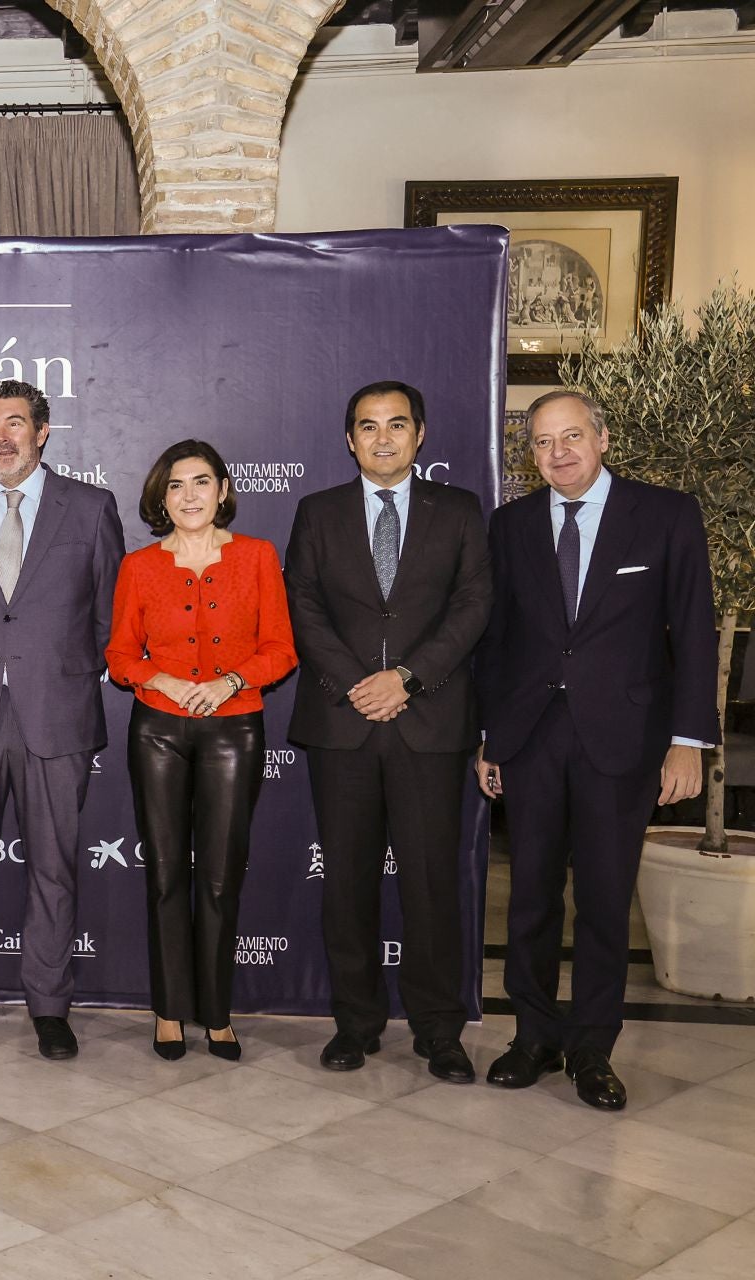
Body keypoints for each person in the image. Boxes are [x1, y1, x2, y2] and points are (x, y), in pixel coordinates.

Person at [477, 389, 716, 1111]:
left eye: (572, 436)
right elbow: (498, 639)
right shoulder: (510, 524)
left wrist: (687, 742)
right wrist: (491, 735)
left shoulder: (666, 515)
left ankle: (592, 1050)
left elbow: (697, 632)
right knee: (530, 901)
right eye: (544, 443)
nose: (559, 453)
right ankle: (534, 1037)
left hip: (627, 740)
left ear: (603, 438)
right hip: (531, 738)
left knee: (607, 904)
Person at [286, 381, 491, 1083]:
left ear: (420, 434)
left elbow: (473, 605)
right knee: (346, 884)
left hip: (428, 723)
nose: (382, 438)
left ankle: (440, 1032)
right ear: (350, 440)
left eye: (396, 425)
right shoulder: (316, 513)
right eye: (368, 427)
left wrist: (405, 678)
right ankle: (356, 1023)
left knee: (433, 884)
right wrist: (356, 684)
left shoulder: (459, 511)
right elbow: (303, 606)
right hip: (343, 725)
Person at [0, 379, 124, 1061]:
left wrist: (58, 672)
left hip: (56, 716)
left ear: (43, 431)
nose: (1, 437)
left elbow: (109, 619)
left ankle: (49, 1003)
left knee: (54, 868)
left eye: (15, 423)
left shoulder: (91, 508)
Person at [106, 440, 296, 1061]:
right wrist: (159, 679)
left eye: (201, 482)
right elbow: (120, 654)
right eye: (176, 485)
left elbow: (280, 648)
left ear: (222, 490)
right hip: (158, 728)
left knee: (218, 877)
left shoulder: (259, 558)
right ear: (162, 497)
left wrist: (229, 681)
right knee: (164, 875)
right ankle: (168, 1011)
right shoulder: (139, 566)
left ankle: (216, 1013)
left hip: (234, 727)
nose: (189, 496)